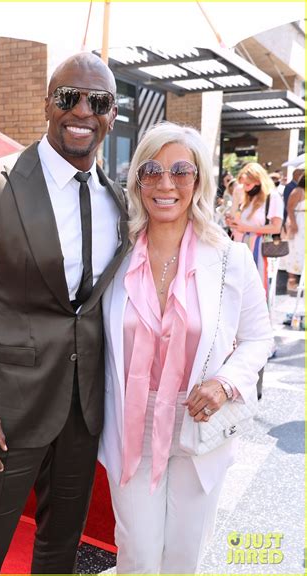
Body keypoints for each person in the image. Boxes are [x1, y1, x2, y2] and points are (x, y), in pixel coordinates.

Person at [0, 52, 129, 574]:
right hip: (2, 416)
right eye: (68, 97)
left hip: (84, 413)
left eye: (98, 101)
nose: (82, 110)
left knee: (61, 550)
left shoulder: (119, 202)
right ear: (47, 103)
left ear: (112, 114)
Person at [98, 122, 273, 574]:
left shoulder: (229, 258)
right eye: (152, 170)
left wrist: (227, 382)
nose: (166, 183)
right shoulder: (113, 255)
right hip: (130, 426)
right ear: (137, 179)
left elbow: (259, 337)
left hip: (200, 426)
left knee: (184, 556)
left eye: (181, 171)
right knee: (136, 554)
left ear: (199, 181)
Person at [226, 162, 283, 297]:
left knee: (255, 286)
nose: (244, 188)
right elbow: (241, 221)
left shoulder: (272, 197)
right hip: (239, 245)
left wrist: (246, 228)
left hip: (256, 245)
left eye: (247, 184)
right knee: (238, 287)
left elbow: (276, 227)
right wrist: (233, 222)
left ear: (258, 181)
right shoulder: (247, 197)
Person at [285, 175, 305, 294]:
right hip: (299, 222)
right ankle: (291, 281)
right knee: (295, 250)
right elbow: (290, 208)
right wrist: (293, 223)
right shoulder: (298, 191)